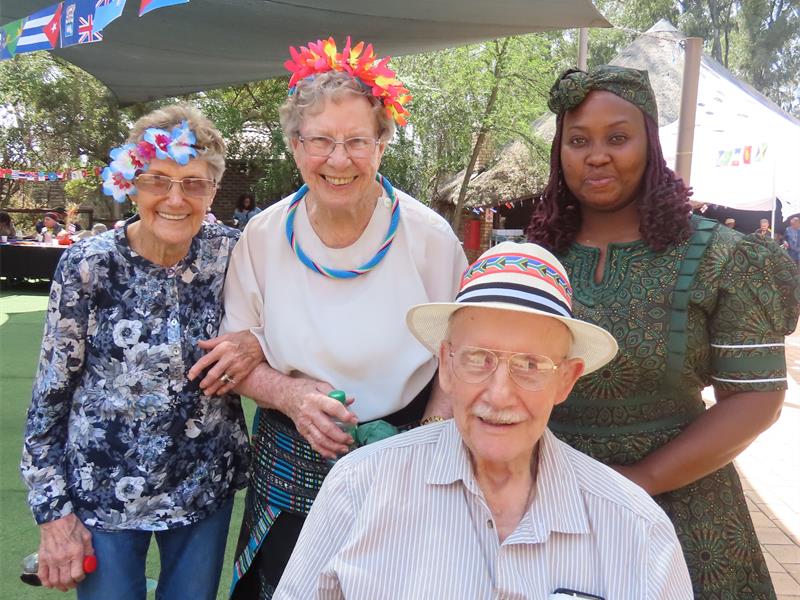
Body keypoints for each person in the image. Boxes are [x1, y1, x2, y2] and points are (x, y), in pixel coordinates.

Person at [193, 37, 468, 599]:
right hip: (292, 449)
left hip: (407, 444)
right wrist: (292, 398)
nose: (338, 160)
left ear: (382, 143)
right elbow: (236, 355)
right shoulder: (264, 236)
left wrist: (427, 444)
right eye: (320, 140)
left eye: (356, 141)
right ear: (295, 146)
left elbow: (461, 351)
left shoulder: (428, 237)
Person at [274, 242, 693, 599]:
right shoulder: (359, 487)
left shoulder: (635, 527)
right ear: (446, 365)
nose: (498, 394)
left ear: (565, 380)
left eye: (530, 364)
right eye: (478, 359)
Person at [527, 65, 800, 598]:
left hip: (684, 511)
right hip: (547, 504)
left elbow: (757, 397)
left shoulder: (723, 257)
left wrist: (642, 481)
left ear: (650, 143)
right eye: (578, 140)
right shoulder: (531, 259)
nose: (597, 154)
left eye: (618, 137)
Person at [20, 104, 258, 600]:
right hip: (103, 488)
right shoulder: (88, 265)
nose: (175, 198)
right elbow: (49, 396)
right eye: (158, 180)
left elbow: (288, 323)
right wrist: (53, 512)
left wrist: (257, 342)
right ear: (131, 182)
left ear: (213, 189)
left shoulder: (234, 254)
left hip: (202, 483)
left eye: (193, 182)